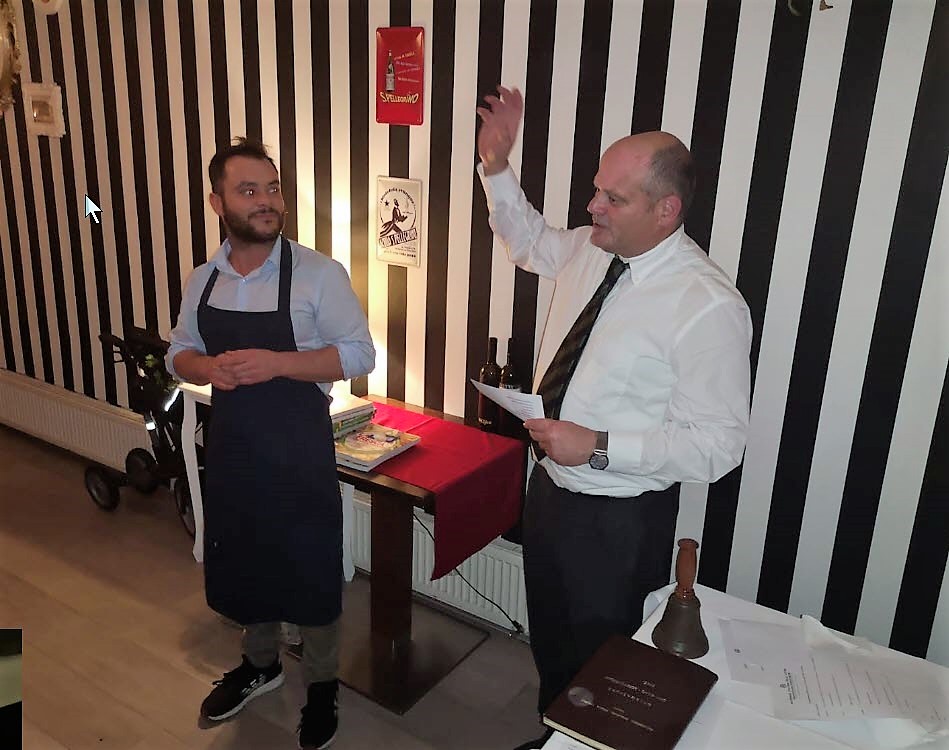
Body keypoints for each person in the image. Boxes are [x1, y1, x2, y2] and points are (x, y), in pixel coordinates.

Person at [476, 87, 752, 750]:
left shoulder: (707, 304)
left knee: (606, 664)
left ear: (666, 210)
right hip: (550, 493)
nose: (592, 205)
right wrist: (496, 166)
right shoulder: (591, 249)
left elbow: (718, 446)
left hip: (619, 521)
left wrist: (598, 445)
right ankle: (555, 738)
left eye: (613, 198)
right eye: (597, 189)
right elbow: (527, 241)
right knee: (551, 640)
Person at [166, 138, 375, 749]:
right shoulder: (204, 280)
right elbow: (179, 351)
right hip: (233, 450)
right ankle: (259, 666)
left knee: (309, 567)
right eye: (248, 190)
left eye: (273, 188)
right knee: (246, 557)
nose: (266, 201)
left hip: (298, 452)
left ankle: (322, 684)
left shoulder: (318, 274)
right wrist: (207, 368)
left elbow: (359, 355)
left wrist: (278, 363)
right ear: (218, 203)